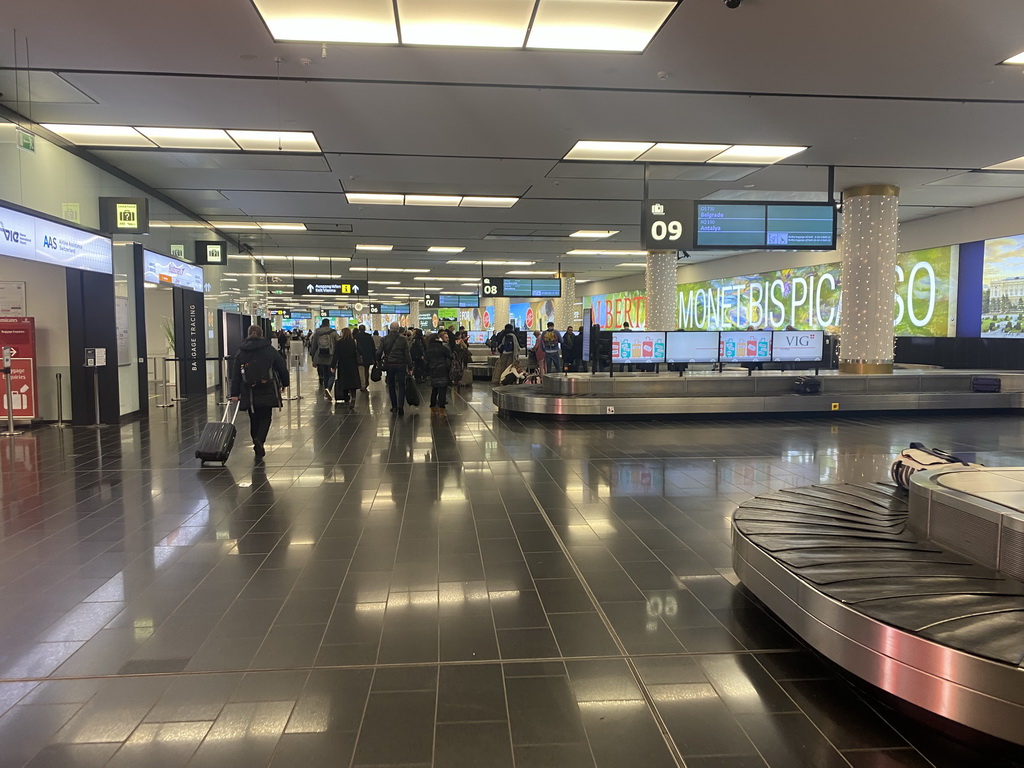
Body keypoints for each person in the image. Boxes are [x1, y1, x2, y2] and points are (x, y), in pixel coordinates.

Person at [230, 325, 290, 461]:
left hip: (249, 390)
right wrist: (285, 383)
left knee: (253, 418)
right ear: (262, 334)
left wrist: (234, 393)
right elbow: (281, 366)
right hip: (267, 387)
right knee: (266, 417)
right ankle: (260, 440)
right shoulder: (269, 349)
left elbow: (236, 374)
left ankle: (256, 441)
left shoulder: (241, 351)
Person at [379, 321, 413, 414]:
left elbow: (379, 352)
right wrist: (410, 366)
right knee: (402, 385)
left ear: (390, 329)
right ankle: (400, 405)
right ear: (398, 329)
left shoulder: (384, 339)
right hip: (401, 364)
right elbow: (407, 354)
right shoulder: (403, 339)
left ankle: (394, 406)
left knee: (391, 385)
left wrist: (378, 361)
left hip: (390, 364)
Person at [329, 326, 361, 407]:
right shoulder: (354, 342)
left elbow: (336, 355)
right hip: (353, 364)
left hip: (342, 365)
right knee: (352, 381)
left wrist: (332, 365)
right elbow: (358, 352)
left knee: (344, 381)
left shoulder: (339, 342)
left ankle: (346, 399)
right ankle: (353, 397)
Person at [426, 329, 454, 415]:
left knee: (434, 390)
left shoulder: (428, 349)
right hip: (442, 370)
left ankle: (433, 407)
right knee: (442, 390)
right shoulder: (443, 348)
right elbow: (450, 356)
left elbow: (427, 361)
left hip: (433, 370)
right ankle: (442, 409)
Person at [310, 319, 339, 394]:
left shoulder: (317, 333)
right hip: (331, 356)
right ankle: (328, 389)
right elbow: (338, 344)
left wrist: (313, 358)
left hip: (320, 355)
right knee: (332, 373)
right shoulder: (333, 332)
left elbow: (313, 346)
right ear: (329, 324)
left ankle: (326, 387)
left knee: (325, 373)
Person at [354, 324, 376, 391]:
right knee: (366, 370)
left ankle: (362, 384)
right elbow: (373, 347)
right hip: (368, 356)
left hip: (359, 356)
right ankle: (366, 382)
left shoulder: (356, 337)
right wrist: (375, 358)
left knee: (360, 370)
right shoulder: (369, 337)